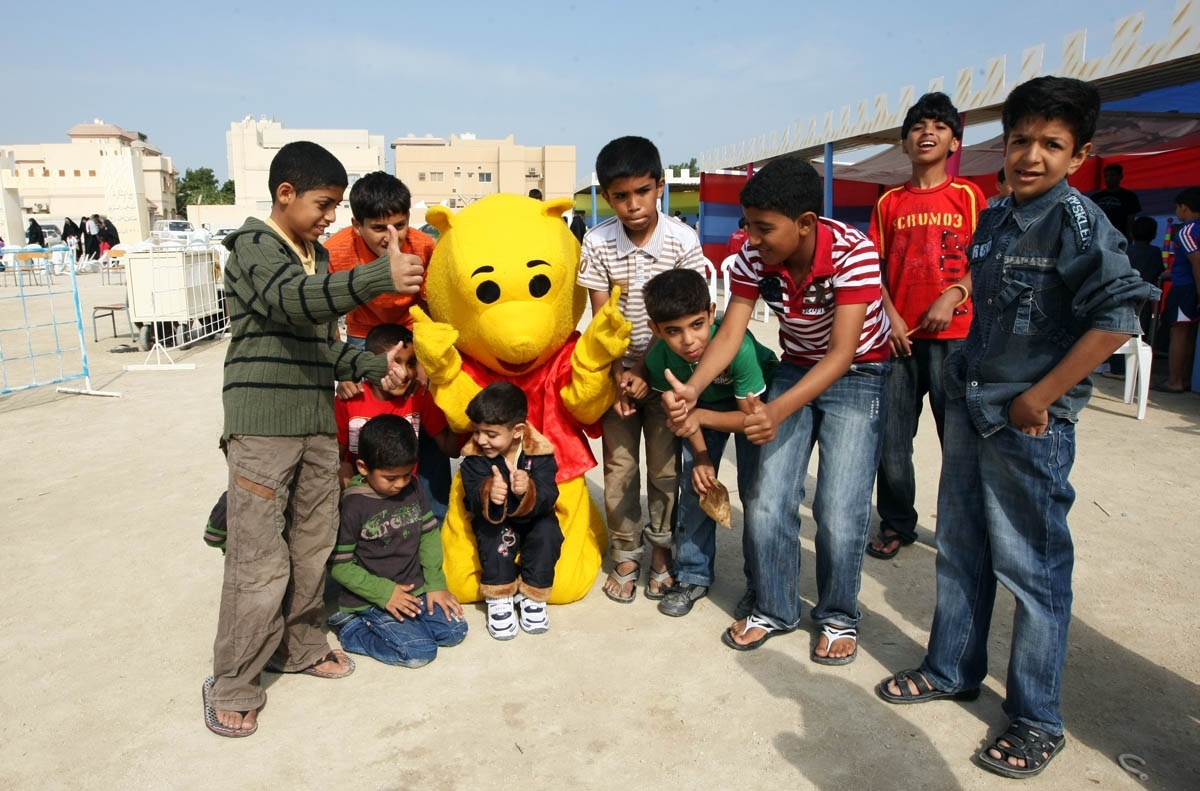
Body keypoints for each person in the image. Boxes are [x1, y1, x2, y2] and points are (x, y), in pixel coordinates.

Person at [876, 76, 1156, 780]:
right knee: (961, 549)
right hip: (972, 408)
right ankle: (952, 667)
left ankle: (1036, 717)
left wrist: (1042, 397)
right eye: (1022, 140)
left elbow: (1119, 317)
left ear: (1080, 153)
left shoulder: (1080, 223)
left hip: (1027, 425)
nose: (1032, 155)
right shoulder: (998, 216)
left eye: (1051, 144)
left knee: (1033, 572)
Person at [202, 140, 427, 739]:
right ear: (285, 194)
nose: (331, 217)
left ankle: (298, 646)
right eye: (325, 205)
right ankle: (234, 681)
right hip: (262, 425)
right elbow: (291, 302)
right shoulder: (253, 247)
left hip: (313, 423)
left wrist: (380, 369)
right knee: (258, 559)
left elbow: (321, 344)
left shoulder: (316, 256)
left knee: (312, 545)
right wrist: (378, 274)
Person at [663, 156, 890, 664]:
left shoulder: (856, 253)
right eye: (748, 225)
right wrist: (694, 388)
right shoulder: (750, 260)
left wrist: (775, 412)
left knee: (837, 509)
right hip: (796, 366)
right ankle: (775, 607)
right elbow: (731, 331)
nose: (753, 239)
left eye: (765, 228)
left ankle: (837, 615)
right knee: (766, 501)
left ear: (806, 223)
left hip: (857, 373)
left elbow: (842, 354)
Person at [576, 135, 707, 603]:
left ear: (660, 186)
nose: (633, 205)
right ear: (606, 197)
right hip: (619, 375)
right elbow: (600, 321)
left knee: (666, 469)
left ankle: (661, 552)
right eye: (620, 196)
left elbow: (688, 317)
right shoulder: (597, 242)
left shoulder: (683, 242)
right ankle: (626, 552)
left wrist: (648, 374)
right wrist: (615, 378)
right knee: (621, 468)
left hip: (669, 374)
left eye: (642, 192)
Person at [866, 92, 986, 560]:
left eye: (938, 126)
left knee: (957, 443)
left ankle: (960, 531)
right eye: (917, 126)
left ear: (954, 142)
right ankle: (897, 523)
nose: (927, 132)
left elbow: (986, 261)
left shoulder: (970, 197)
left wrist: (953, 295)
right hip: (899, 341)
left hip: (957, 339)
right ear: (904, 143)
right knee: (893, 443)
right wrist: (890, 316)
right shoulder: (889, 202)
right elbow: (871, 270)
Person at [642, 268, 776, 617]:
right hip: (701, 408)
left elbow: (752, 420)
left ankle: (759, 585)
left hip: (754, 406)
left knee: (758, 494)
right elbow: (685, 413)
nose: (688, 340)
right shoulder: (660, 360)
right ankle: (692, 573)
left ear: (712, 314)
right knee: (697, 486)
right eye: (673, 331)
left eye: (697, 325)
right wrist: (702, 457)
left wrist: (701, 417)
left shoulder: (739, 349)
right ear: (655, 330)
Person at [325, 172, 448, 520]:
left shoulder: (424, 247)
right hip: (363, 337)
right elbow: (325, 316)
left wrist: (423, 363)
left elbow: (432, 310)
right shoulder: (335, 252)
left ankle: (434, 517)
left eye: (400, 224)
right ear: (356, 225)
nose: (391, 236)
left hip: (411, 333)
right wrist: (343, 367)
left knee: (424, 418)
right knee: (362, 421)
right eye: (379, 227)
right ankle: (364, 514)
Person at [327, 413, 467, 667]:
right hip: (371, 599)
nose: (401, 484)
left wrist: (436, 584)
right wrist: (385, 593)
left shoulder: (413, 487)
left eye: (407, 474)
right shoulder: (353, 504)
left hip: (417, 591)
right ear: (363, 468)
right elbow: (339, 565)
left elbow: (428, 536)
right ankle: (350, 628)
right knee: (419, 653)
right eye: (391, 478)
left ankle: (406, 624)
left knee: (454, 631)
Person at [460, 382, 563, 640]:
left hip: (534, 517)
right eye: (477, 431)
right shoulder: (475, 457)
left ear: (517, 430)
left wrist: (528, 491)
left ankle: (532, 595)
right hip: (496, 519)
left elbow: (550, 493)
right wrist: (488, 493)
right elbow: (470, 495)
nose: (481, 440)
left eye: (491, 434)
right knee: (494, 537)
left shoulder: (539, 454)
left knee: (548, 533)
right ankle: (500, 595)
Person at [334, 323, 457, 490]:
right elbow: (335, 457)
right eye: (395, 362)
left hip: (405, 492)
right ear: (372, 362)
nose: (404, 373)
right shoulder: (350, 399)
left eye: (411, 363)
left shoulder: (419, 397)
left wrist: (458, 411)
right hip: (360, 493)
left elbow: (451, 449)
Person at [1156, 187, 1200, 393]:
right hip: (1189, 286)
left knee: (1179, 333)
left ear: (1184, 207)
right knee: (1190, 333)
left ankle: (1175, 381)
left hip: (1186, 288)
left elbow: (1196, 261)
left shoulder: (1187, 231)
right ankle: (1186, 379)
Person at [1089, 163, 1141, 240]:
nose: (1108, 178)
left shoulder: (1129, 196)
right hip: (1099, 237)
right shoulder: (1095, 197)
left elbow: (1131, 219)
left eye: (1112, 175)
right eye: (1106, 176)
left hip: (1120, 237)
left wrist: (1130, 236)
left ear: (1120, 177)